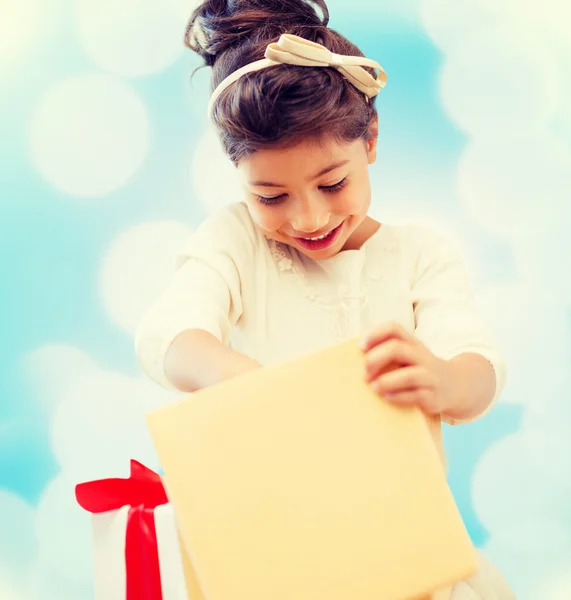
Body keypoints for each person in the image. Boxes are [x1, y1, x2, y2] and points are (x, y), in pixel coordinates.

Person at [135, 1, 516, 598]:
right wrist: (247, 382)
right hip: (279, 561)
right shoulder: (236, 243)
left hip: (407, 559)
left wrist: (444, 380)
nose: (308, 218)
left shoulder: (419, 256)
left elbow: (480, 370)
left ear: (370, 140)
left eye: (331, 183)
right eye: (270, 196)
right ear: (238, 178)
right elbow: (167, 338)